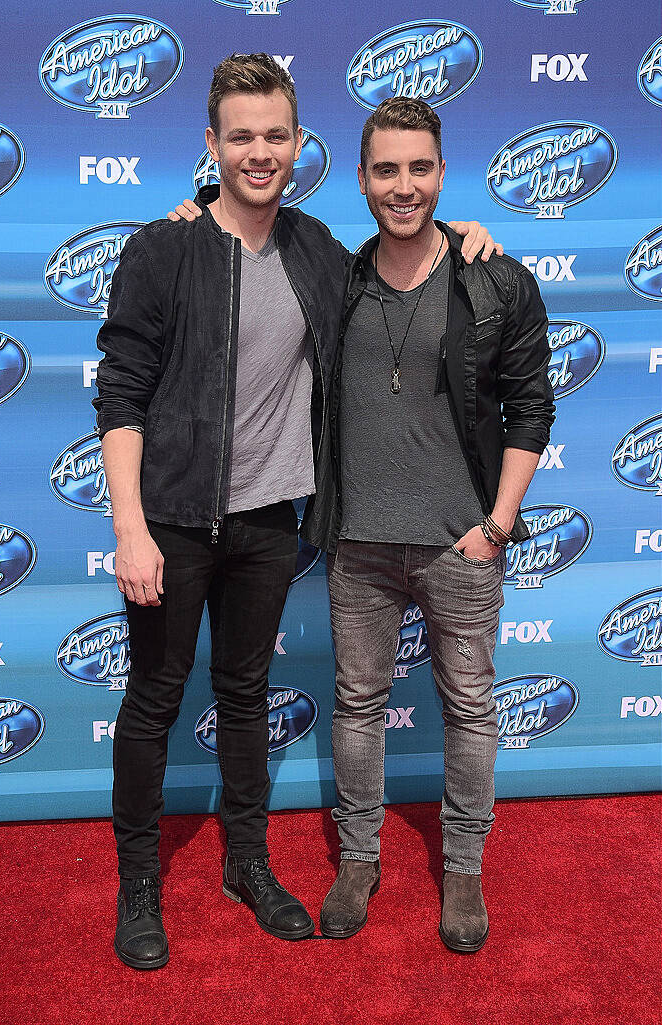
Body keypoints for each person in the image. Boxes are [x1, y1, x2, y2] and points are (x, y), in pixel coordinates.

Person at [95, 54, 499, 969]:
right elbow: (120, 396)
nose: (259, 152)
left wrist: (470, 234)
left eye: (274, 135)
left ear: (296, 143)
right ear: (212, 145)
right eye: (240, 137)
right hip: (170, 516)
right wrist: (128, 527)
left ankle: (246, 862)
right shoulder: (163, 247)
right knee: (155, 700)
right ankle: (139, 885)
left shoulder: (318, 250)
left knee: (243, 695)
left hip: (272, 520)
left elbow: (408, 261)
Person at [301, 97, 555, 953]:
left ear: (442, 174)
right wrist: (191, 206)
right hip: (358, 544)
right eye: (385, 169)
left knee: (471, 708)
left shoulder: (494, 278)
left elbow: (530, 409)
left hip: (461, 544)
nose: (402, 186)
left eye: (418, 168)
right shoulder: (334, 276)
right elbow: (237, 225)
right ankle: (359, 860)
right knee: (356, 701)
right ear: (362, 177)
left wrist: (495, 524)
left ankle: (462, 870)